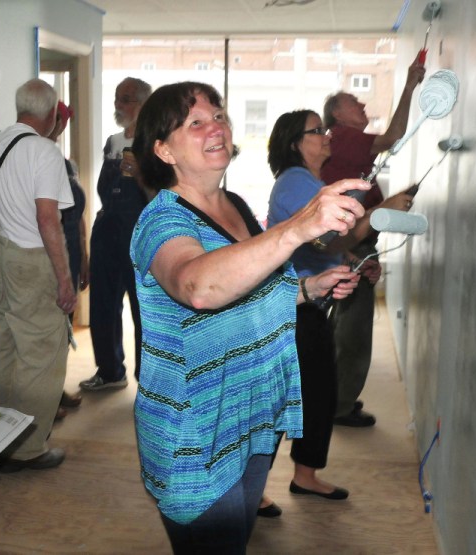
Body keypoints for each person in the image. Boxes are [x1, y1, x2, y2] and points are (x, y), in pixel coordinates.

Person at [130, 82, 365, 553]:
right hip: (194, 431)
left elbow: (248, 290)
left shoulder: (234, 204)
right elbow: (198, 287)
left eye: (218, 115)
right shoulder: (161, 220)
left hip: (250, 413)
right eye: (194, 123)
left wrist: (306, 289)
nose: (214, 127)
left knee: (235, 541)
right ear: (163, 149)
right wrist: (297, 227)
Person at [266, 109, 383, 506]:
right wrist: (376, 217)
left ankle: (305, 475)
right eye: (317, 130)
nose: (326, 135)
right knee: (289, 396)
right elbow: (326, 239)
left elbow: (328, 247)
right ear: (297, 143)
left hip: (308, 302)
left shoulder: (309, 182)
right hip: (292, 305)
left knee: (317, 391)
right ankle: (256, 489)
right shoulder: (296, 182)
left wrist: (353, 261)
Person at [0, 78, 75, 471]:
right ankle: (28, 447)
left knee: (3, 344)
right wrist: (64, 280)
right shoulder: (44, 151)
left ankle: (1, 438)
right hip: (30, 257)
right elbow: (48, 218)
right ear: (51, 115)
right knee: (41, 351)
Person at [321, 53, 425, 427]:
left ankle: (335, 399)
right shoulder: (345, 137)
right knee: (353, 331)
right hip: (351, 243)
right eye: (354, 102)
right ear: (337, 115)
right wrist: (411, 85)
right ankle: (340, 407)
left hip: (349, 242)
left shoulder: (344, 142)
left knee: (341, 329)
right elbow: (394, 135)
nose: (362, 104)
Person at [79, 77, 152, 391]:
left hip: (139, 233)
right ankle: (109, 371)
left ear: (143, 104)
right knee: (103, 305)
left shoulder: (154, 144)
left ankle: (148, 381)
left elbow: (162, 194)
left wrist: (141, 175)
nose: (119, 106)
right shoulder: (111, 142)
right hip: (107, 229)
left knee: (143, 309)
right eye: (116, 99)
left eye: (126, 99)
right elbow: (104, 189)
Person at [48, 101, 86, 419]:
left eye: (64, 120)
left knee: (65, 325)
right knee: (50, 325)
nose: (60, 125)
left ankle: (56, 389)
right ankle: (46, 396)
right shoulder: (38, 160)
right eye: (57, 119)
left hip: (72, 248)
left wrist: (84, 257)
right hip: (52, 250)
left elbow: (80, 215)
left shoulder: (66, 163)